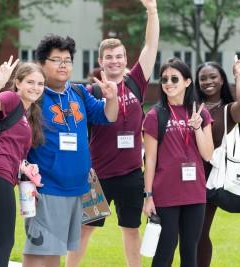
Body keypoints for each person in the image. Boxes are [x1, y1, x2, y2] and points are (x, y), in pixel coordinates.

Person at [66, 1, 159, 266]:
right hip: (96, 176)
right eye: (109, 57)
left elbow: (150, 45)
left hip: (131, 175)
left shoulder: (136, 82)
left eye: (119, 56)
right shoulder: (90, 92)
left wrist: (152, 10)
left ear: (126, 59)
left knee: (131, 231)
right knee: (85, 230)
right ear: (101, 61)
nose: (114, 61)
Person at [22, 34, 118, 267]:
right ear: (42, 64)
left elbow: (108, 116)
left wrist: (111, 97)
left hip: (77, 187)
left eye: (68, 60)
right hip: (47, 186)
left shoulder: (79, 93)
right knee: (37, 250)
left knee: (56, 250)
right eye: (57, 60)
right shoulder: (35, 94)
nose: (63, 65)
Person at [0, 57, 45, 267]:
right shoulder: (11, 99)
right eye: (30, 82)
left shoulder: (25, 113)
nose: (36, 87)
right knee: (4, 245)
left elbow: (10, 148)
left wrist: (25, 170)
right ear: (18, 82)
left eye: (40, 83)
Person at [142, 58, 213, 266]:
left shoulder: (201, 113)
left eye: (175, 78)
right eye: (164, 79)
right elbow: (150, 159)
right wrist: (148, 196)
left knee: (190, 251)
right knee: (165, 250)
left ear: (188, 82)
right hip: (165, 194)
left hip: (195, 193)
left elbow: (208, 154)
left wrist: (197, 128)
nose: (169, 83)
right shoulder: (155, 115)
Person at [194, 56, 240, 266]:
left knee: (200, 231)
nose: (208, 81)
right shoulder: (192, 106)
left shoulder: (228, 110)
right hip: (185, 175)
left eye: (213, 77)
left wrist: (239, 75)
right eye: (203, 78)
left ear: (222, 80)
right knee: (184, 233)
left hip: (210, 178)